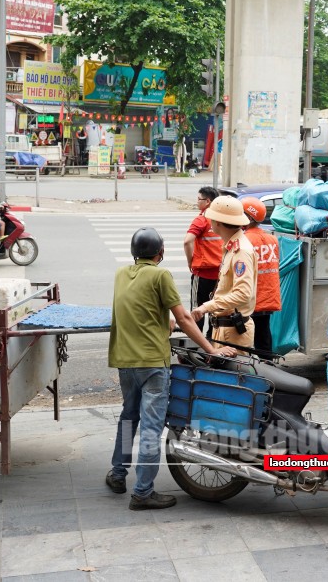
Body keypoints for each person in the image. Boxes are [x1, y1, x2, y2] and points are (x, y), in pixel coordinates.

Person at [106, 227, 233, 509]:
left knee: (129, 417)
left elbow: (140, 310)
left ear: (133, 253)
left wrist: (164, 323)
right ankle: (142, 492)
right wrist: (211, 349)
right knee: (151, 426)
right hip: (152, 363)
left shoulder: (121, 274)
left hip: (125, 361)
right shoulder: (161, 275)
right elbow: (185, 319)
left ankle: (117, 473)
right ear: (160, 254)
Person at [191, 196, 258, 349]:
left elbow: (243, 293)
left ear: (218, 222)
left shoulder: (241, 251)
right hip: (225, 328)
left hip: (233, 330)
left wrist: (206, 307)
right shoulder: (231, 246)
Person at [239, 196, 281, 352]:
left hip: (251, 298)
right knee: (263, 336)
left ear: (248, 218)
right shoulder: (272, 239)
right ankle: (268, 367)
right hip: (268, 296)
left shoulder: (244, 240)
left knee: (246, 339)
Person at [183, 187, 222, 335]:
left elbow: (187, 242)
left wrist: (190, 261)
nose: (197, 202)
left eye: (199, 199)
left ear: (208, 201)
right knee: (215, 310)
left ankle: (196, 347)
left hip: (203, 274)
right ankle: (212, 345)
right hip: (220, 275)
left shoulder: (201, 220)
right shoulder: (222, 220)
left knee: (197, 310)